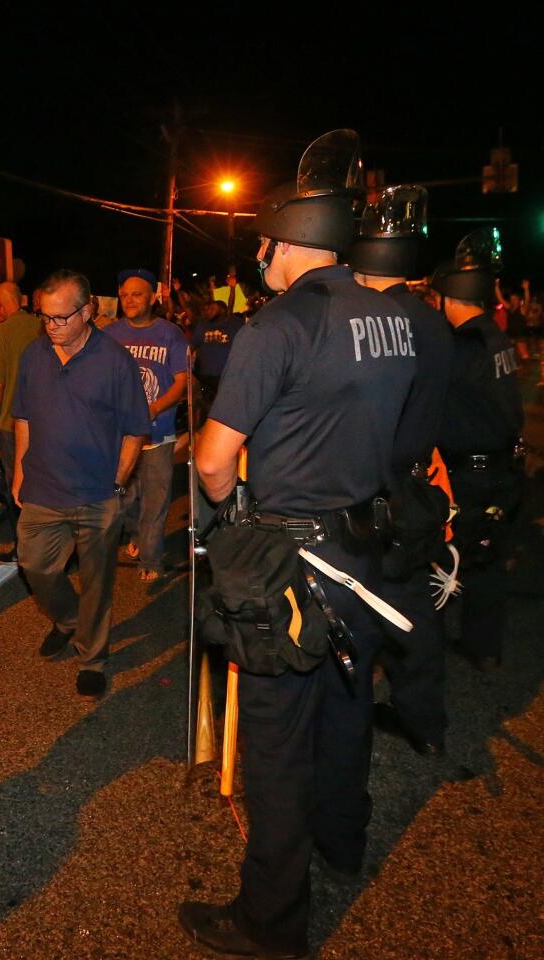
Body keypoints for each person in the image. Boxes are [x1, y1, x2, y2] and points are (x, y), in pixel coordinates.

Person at [179, 131, 417, 960]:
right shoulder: (394, 317)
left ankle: (269, 923)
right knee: (346, 708)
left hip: (290, 560)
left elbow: (212, 460)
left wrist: (234, 513)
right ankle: (342, 845)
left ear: (286, 242)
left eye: (263, 242)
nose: (257, 254)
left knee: (276, 746)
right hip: (364, 547)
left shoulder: (275, 326)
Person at [349, 185, 454, 756]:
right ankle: (425, 724)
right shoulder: (432, 320)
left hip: (372, 486)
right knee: (412, 607)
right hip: (415, 484)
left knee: (361, 602)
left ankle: (353, 719)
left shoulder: (372, 323)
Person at [12, 268, 150, 699]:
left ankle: (93, 657)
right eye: (45, 317)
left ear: (87, 311)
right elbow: (23, 417)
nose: (51, 326)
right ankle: (69, 620)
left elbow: (135, 429)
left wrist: (117, 482)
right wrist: (18, 470)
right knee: (34, 565)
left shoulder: (115, 361)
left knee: (97, 581)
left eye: (61, 318)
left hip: (96, 494)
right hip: (42, 489)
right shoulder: (34, 356)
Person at [432, 231, 524, 673]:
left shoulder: (459, 347)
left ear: (449, 298)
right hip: (501, 467)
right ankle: (484, 647)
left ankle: (426, 656)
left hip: (467, 473)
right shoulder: (496, 337)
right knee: (487, 560)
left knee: (446, 554)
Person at [105, 268, 189, 579]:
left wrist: (153, 409)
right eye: (124, 294)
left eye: (137, 294)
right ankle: (136, 534)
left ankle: (151, 561)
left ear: (152, 298)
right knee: (122, 499)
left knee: (155, 501)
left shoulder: (170, 334)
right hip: (120, 437)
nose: (129, 299)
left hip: (158, 435)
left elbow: (181, 383)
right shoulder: (110, 335)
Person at [0, 281, 42, 563]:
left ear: (4, 304)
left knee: (16, 485)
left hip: (10, 423)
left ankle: (25, 548)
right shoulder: (42, 327)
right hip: (45, 419)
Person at [191, 299, 244, 410]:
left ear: (223, 310)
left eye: (212, 309)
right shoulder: (202, 326)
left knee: (226, 407)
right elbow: (191, 346)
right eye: (207, 309)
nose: (208, 312)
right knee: (208, 407)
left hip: (226, 376)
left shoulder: (234, 324)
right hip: (206, 377)